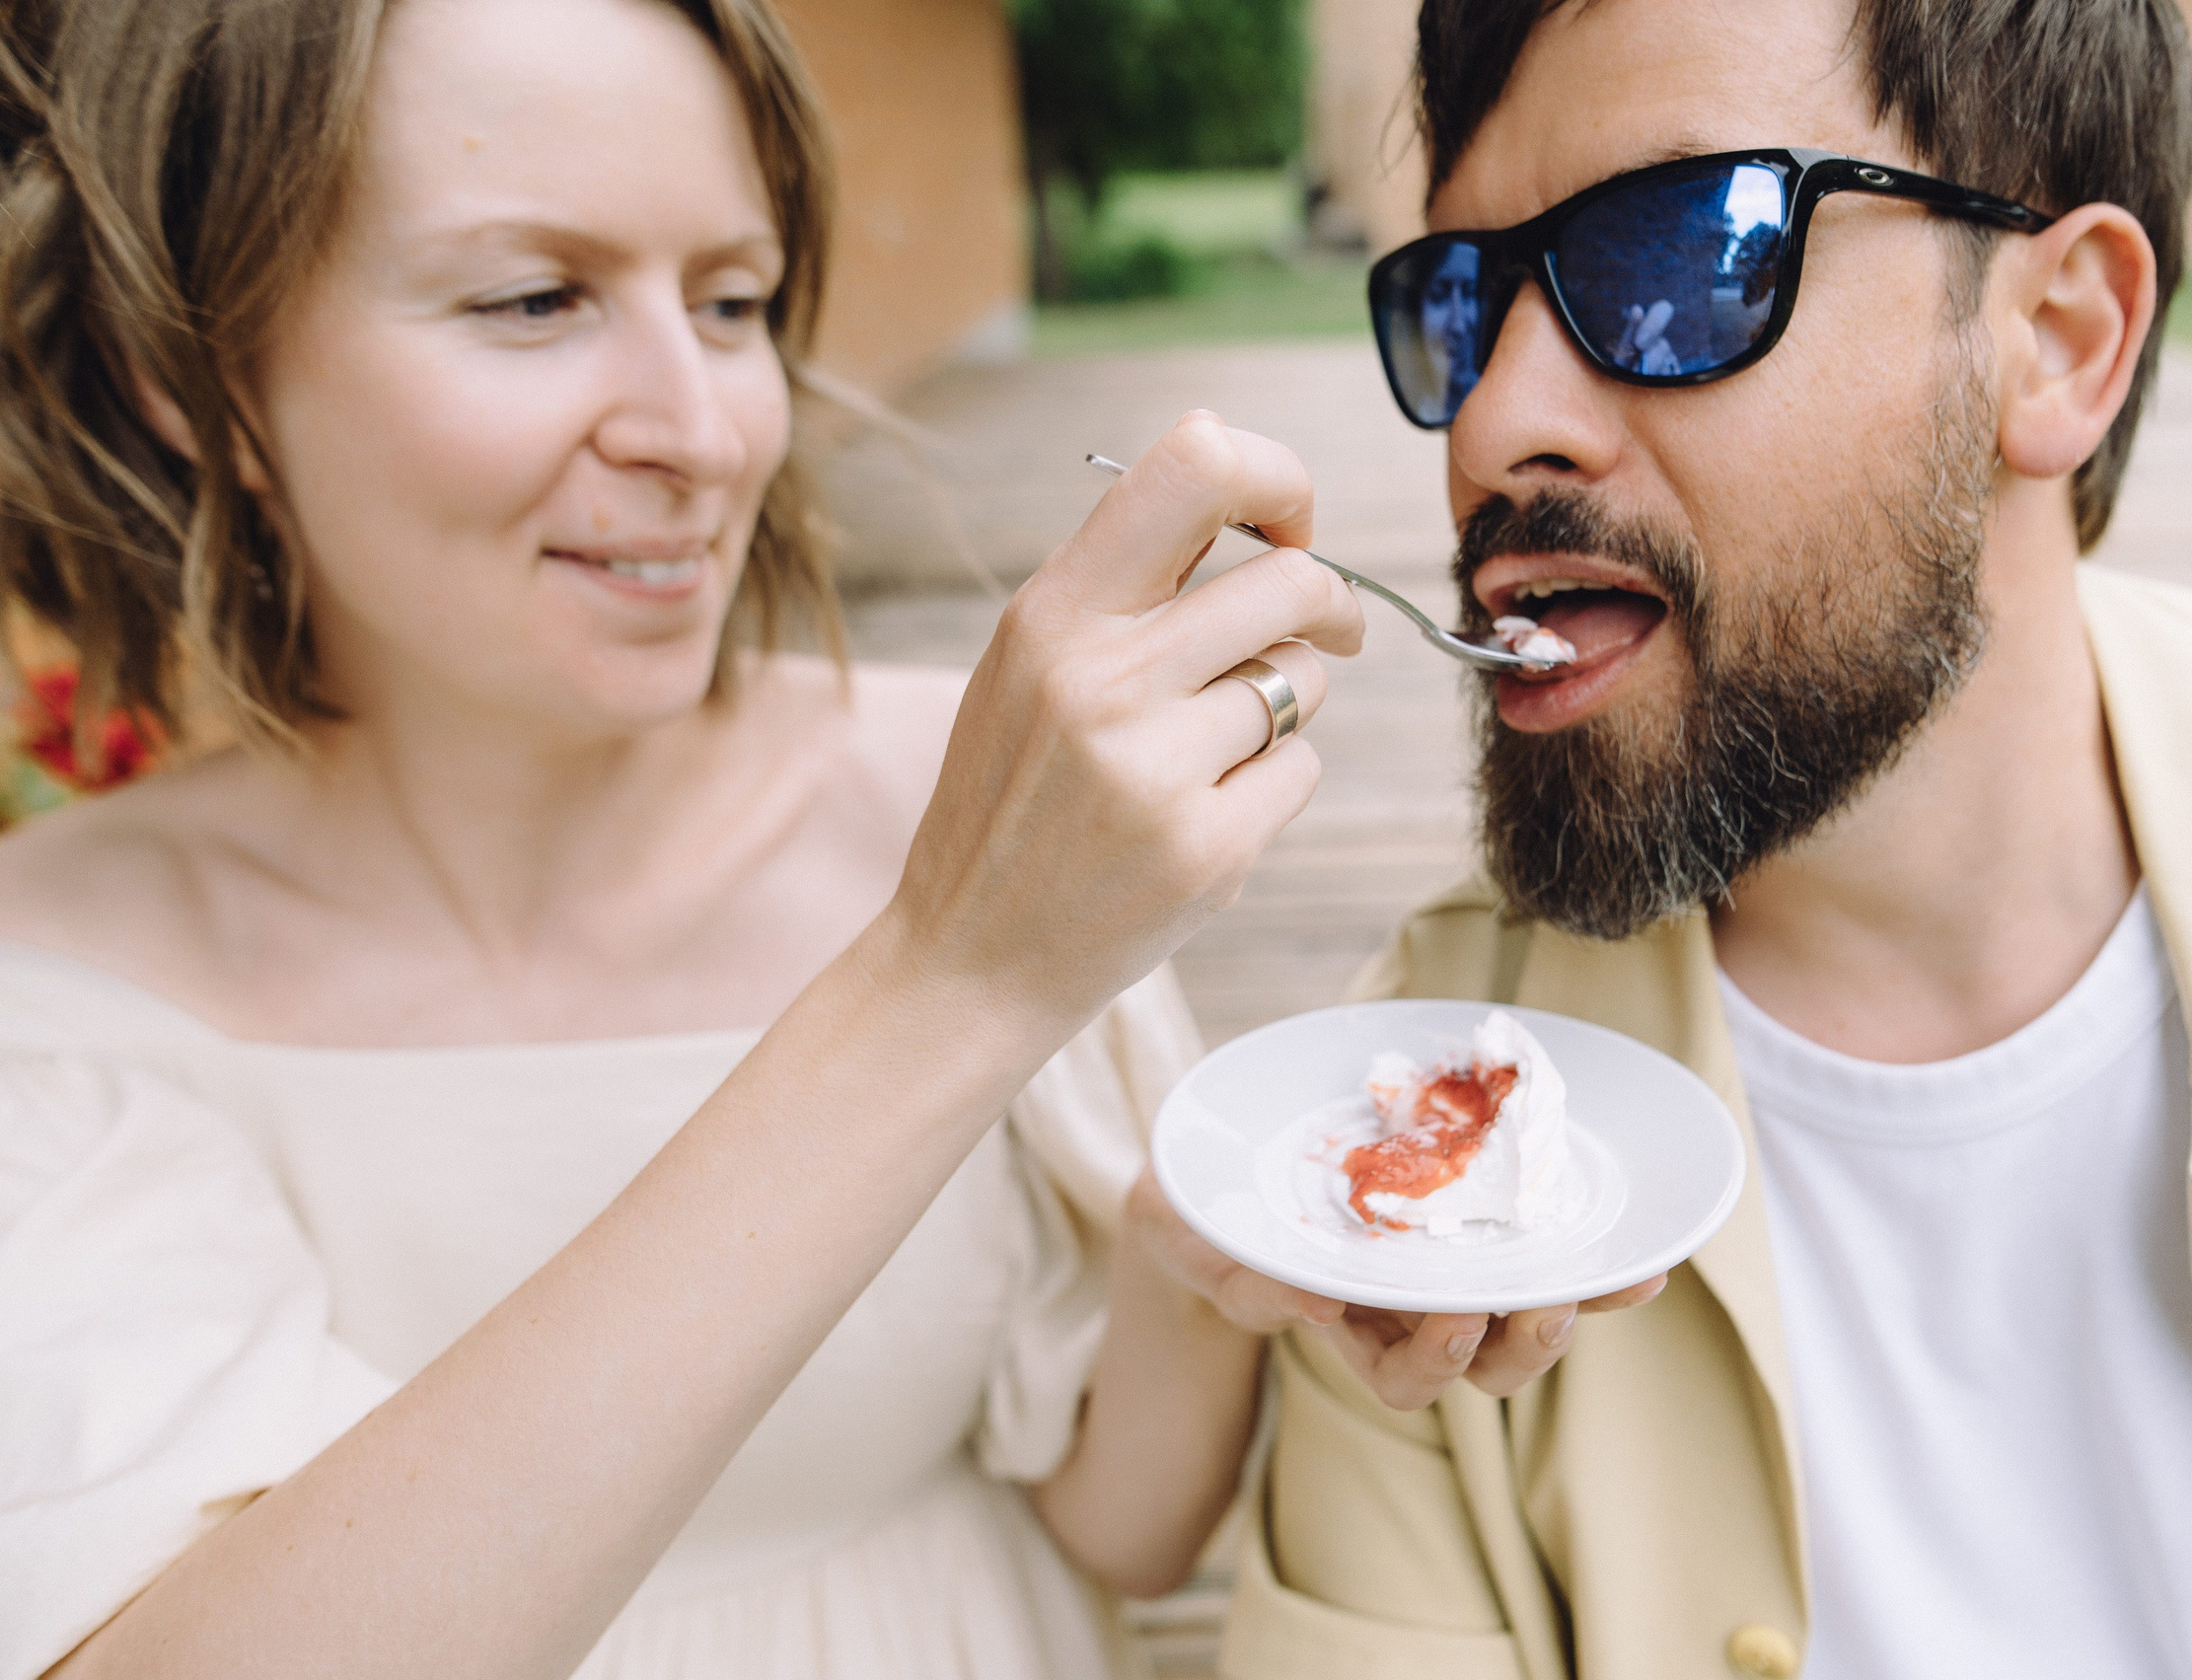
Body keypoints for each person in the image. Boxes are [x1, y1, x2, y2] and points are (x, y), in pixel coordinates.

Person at [0, 0, 1394, 1675]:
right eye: (536, 299)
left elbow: (1117, 1527)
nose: (706, 428)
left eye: (730, 302)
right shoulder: (56, 997)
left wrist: (1204, 1255)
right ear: (197, 387)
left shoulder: (967, 787)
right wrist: (951, 977)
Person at [1230, 3, 2192, 1679]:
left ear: (2057, 336)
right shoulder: (1402, 1129)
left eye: (1680, 256)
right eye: (1464, 303)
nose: (1489, 430)